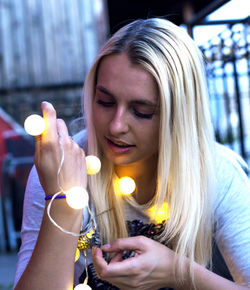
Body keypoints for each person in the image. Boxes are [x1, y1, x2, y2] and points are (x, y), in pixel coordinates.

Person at [14, 18, 250, 290]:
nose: (116, 125)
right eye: (105, 101)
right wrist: (62, 201)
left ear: (179, 117)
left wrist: (179, 271)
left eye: (142, 111)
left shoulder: (217, 173)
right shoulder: (61, 170)